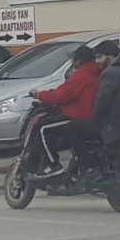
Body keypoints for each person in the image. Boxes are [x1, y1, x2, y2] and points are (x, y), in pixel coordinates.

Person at [65, 40, 120, 176]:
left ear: (110, 56)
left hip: (112, 124)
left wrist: (94, 116)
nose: (96, 61)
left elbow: (102, 103)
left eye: (99, 57)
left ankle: (91, 166)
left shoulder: (110, 74)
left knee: (71, 127)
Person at [29, 45, 100, 178]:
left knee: (43, 128)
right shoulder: (95, 73)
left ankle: (53, 165)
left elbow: (60, 95)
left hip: (77, 117)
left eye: (74, 59)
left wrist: (39, 95)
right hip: (90, 118)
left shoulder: (81, 76)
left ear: (79, 61)